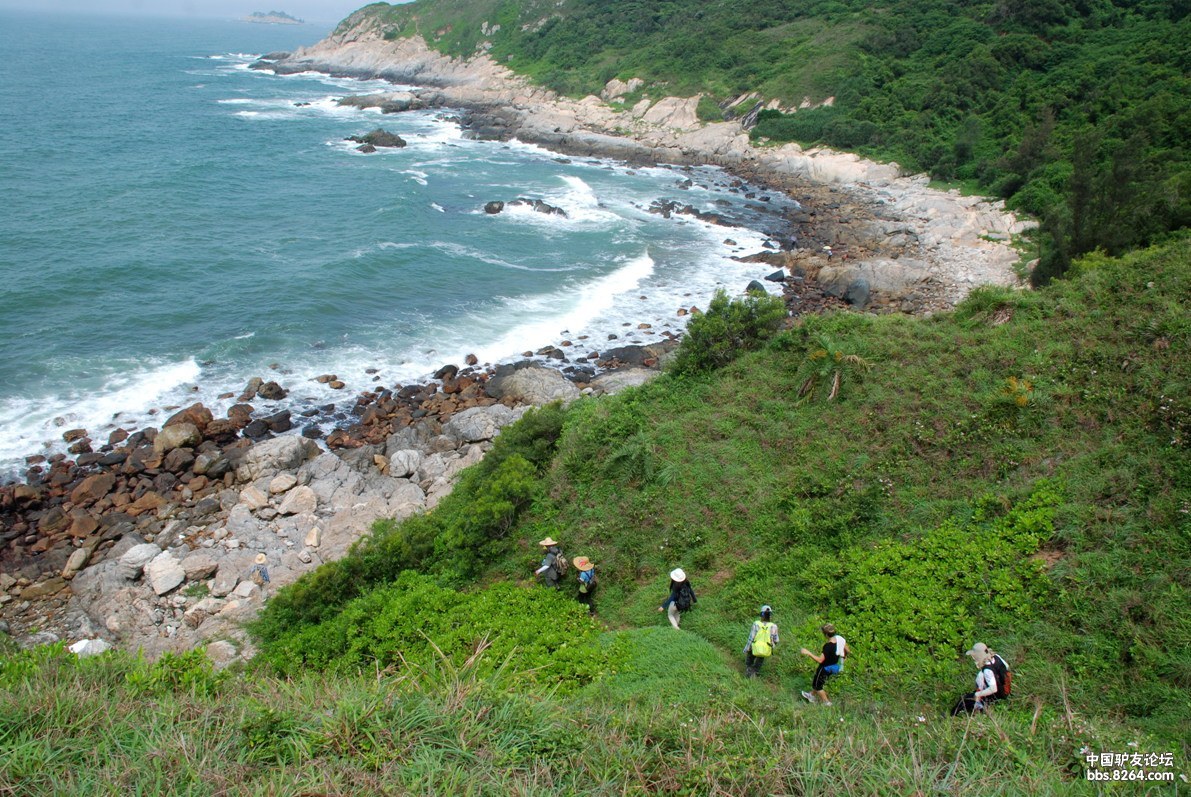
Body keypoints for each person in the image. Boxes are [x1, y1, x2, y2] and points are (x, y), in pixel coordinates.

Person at [951, 642, 1010, 715]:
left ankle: (953, 715)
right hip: (1005, 689)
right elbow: (1007, 667)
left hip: (997, 695)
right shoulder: (997, 657)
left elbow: (993, 689)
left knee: (964, 699)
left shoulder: (987, 670)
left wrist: (978, 694)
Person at [800, 623, 848, 705]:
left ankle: (827, 703)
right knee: (820, 681)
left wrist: (808, 653)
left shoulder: (828, 646)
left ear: (826, 635)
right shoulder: (840, 639)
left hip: (825, 668)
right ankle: (811, 695)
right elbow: (847, 650)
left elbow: (820, 660)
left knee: (818, 686)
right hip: (836, 666)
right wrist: (844, 657)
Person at [743, 605, 779, 678]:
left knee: (749, 661)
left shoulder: (756, 624)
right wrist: (771, 646)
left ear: (761, 614)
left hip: (754, 647)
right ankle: (755, 672)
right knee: (760, 660)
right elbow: (776, 640)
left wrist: (747, 648)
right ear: (770, 615)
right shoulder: (773, 626)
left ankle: (749, 671)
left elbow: (751, 638)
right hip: (765, 649)